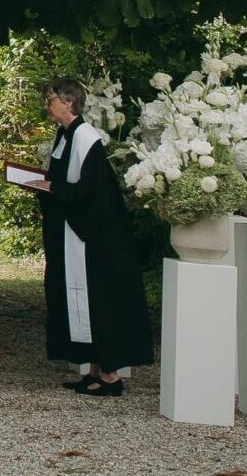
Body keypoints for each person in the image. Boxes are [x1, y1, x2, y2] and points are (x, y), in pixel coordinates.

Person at [25, 76, 152, 396]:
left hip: (94, 238)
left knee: (99, 299)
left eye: (51, 100)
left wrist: (52, 187)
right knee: (82, 299)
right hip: (72, 232)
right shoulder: (65, 135)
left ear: (68, 102)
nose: (47, 106)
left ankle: (110, 377)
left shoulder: (86, 138)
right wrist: (44, 185)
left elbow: (91, 192)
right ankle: (94, 370)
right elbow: (61, 179)